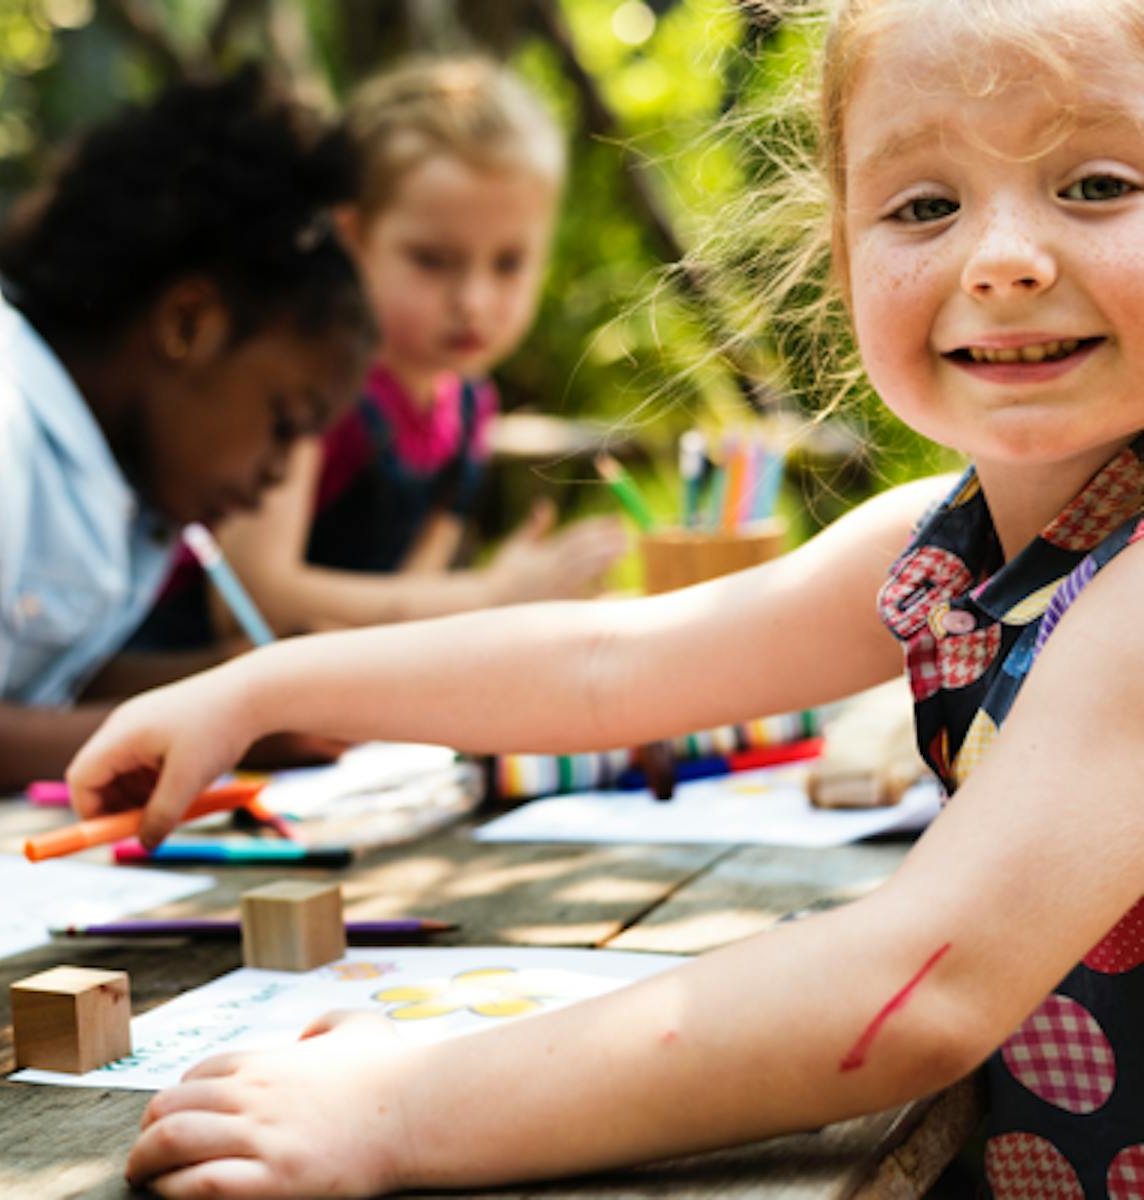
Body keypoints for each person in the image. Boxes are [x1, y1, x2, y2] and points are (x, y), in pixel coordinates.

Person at [67, 0, 1144, 1194]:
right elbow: (614, 663)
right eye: (925, 206)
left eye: (1098, 184)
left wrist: (404, 1112)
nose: (1002, 257)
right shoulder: (943, 545)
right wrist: (263, 685)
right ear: (842, 254)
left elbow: (918, 988)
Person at [0, 67, 374, 795]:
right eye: (283, 423)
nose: (280, 472)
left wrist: (253, 678)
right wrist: (234, 721)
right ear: (187, 326)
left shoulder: (95, 463)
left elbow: (42, 683)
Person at [138, 56, 625, 645]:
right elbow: (250, 595)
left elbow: (414, 606)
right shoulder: (311, 392)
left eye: (508, 264)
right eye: (432, 260)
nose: (473, 302)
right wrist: (489, 595)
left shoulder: (468, 409)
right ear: (353, 238)